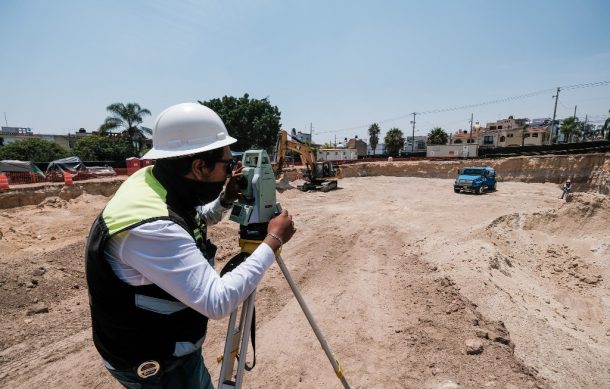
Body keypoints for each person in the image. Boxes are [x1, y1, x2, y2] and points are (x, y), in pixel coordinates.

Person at [85, 102, 296, 389]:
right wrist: (273, 241)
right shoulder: (152, 226)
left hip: (172, 346)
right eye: (226, 163)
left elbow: (191, 222)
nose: (231, 170)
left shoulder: (156, 181)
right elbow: (217, 300)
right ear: (199, 167)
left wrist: (224, 199)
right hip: (155, 362)